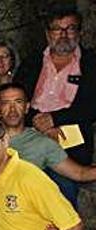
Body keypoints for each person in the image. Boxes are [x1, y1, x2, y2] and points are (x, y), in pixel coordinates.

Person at [16, 6, 96, 205]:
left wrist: (55, 119)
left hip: (72, 141)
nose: (63, 35)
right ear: (47, 33)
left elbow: (92, 105)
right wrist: (37, 119)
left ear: (79, 32)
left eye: (70, 28)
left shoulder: (91, 63)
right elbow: (15, 97)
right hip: (31, 133)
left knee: (62, 186)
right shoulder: (32, 62)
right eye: (57, 29)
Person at [0, 82, 96, 203]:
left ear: (27, 107)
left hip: (24, 209)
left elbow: (80, 173)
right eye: (6, 103)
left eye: (18, 102)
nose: (12, 109)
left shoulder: (42, 143)